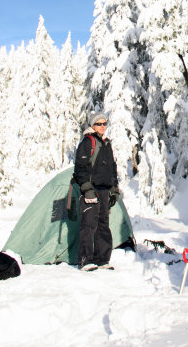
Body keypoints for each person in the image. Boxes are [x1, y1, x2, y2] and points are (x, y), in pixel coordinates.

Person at [74, 112, 120, 271]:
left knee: (103, 226)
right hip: (92, 190)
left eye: (104, 124)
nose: (102, 127)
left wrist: (115, 189)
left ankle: (102, 260)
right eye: (98, 124)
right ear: (92, 126)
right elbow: (80, 167)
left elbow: (112, 168)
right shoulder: (88, 142)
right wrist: (87, 189)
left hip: (105, 190)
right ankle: (85, 261)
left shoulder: (107, 143)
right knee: (89, 225)